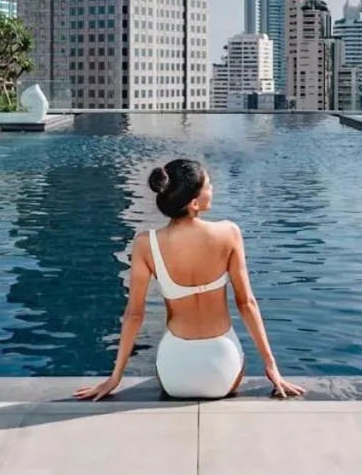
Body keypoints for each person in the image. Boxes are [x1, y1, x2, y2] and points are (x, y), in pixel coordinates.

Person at [75, 159, 304, 402]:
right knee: (233, 358)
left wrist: (115, 377)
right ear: (194, 203)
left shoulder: (146, 243)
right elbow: (246, 303)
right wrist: (271, 366)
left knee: (163, 359)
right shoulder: (229, 233)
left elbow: (134, 314)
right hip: (223, 370)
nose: (212, 188)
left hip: (175, 373)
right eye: (208, 185)